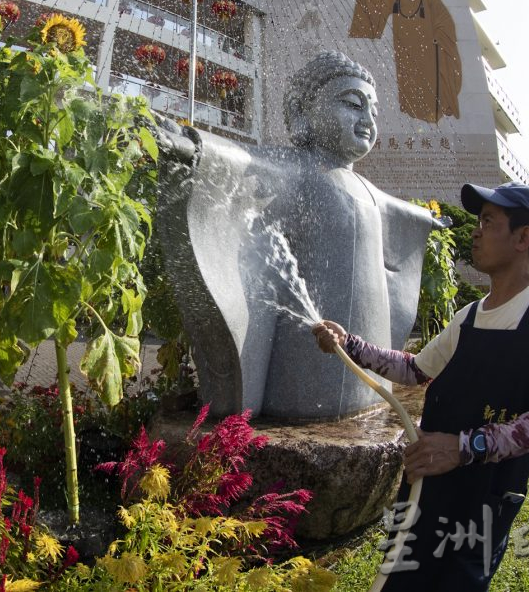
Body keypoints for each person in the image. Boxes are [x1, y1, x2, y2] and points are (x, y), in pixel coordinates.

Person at [312, 181, 529, 590]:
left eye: (489, 222)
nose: (476, 231)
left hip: (483, 500)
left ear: (523, 237)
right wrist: (348, 343)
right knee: (398, 581)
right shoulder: (470, 315)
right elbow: (414, 370)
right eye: (478, 221)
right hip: (428, 486)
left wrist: (463, 448)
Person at [155, 51, 437, 419]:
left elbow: (397, 212)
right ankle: (291, 401)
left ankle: (369, 389)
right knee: (306, 389)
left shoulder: (368, 189)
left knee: (366, 382)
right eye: (352, 104)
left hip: (366, 364)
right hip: (303, 369)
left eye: (373, 111)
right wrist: (194, 148)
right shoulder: (295, 169)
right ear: (303, 110)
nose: (367, 118)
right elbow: (242, 161)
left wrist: (424, 218)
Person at [349, 0, 462, 125]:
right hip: (404, 47)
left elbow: (445, 21)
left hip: (428, 49)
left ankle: (431, 112)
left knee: (428, 78)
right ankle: (412, 109)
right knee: (408, 78)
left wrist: (439, 37)